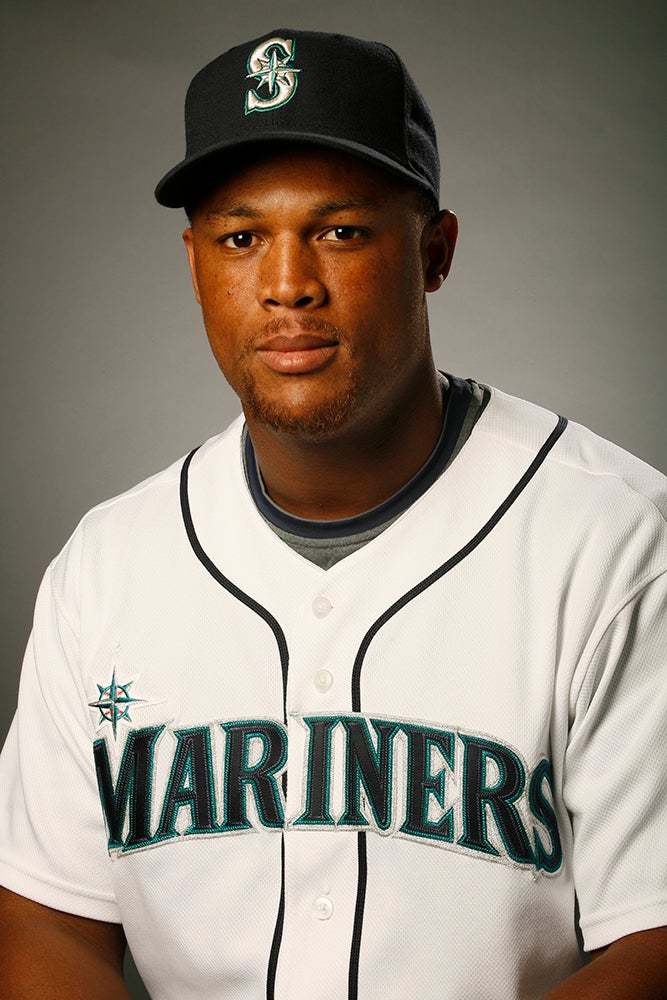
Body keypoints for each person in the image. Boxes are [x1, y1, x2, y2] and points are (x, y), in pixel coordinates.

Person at [0, 27, 665, 1000]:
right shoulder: (107, 568)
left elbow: (653, 941)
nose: (286, 283)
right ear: (195, 264)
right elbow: (47, 918)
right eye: (240, 237)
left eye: (341, 230)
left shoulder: (616, 542)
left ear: (433, 251)